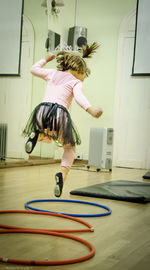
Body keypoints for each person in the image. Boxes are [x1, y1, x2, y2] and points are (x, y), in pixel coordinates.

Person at [22, 42, 103, 197]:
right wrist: (91, 110)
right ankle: (62, 176)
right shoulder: (76, 81)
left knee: (47, 138)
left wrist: (45, 60)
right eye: (84, 75)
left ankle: (37, 135)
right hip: (59, 114)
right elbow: (79, 97)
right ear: (78, 70)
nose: (84, 78)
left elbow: (33, 70)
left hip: (41, 111)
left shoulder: (52, 73)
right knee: (69, 148)